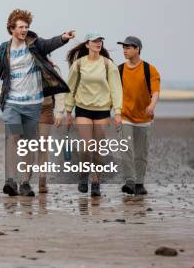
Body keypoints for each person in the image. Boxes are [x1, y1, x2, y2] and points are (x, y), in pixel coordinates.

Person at [0, 9, 74, 197]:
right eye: (21, 27)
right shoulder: (3, 50)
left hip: (33, 103)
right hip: (11, 102)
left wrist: (63, 38)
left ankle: (24, 182)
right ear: (12, 29)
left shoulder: (34, 44)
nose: (24, 30)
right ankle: (10, 180)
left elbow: (49, 44)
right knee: (13, 138)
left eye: (26, 26)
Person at [64, 32, 122, 197]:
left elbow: (116, 88)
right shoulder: (78, 64)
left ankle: (96, 181)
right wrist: (68, 111)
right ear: (87, 44)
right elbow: (70, 87)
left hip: (103, 110)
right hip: (82, 109)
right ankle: (83, 174)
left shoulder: (108, 64)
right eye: (95, 41)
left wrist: (117, 111)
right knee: (87, 145)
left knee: (98, 148)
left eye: (100, 40)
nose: (98, 43)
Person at [117, 36, 160, 196]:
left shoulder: (150, 70)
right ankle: (129, 182)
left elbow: (155, 92)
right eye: (124, 47)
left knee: (141, 153)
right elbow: (114, 92)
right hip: (125, 116)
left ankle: (139, 183)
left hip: (143, 117)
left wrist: (151, 105)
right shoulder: (119, 70)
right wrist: (114, 112)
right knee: (126, 149)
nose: (125, 50)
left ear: (137, 49)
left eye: (128, 47)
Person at [37, 61, 65, 194]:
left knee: (43, 146)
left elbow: (59, 91)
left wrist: (59, 112)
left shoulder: (52, 67)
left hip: (46, 109)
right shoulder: (23, 63)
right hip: (26, 109)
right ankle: (24, 180)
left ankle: (42, 180)